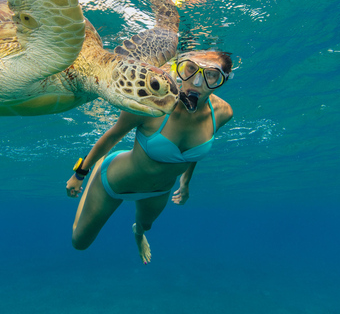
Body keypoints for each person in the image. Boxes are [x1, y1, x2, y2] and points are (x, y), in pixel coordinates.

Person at [66, 50, 234, 264]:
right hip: (114, 182)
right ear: (180, 69)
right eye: (190, 69)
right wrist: (80, 174)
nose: (197, 82)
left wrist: (185, 182)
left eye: (211, 75)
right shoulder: (151, 100)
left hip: (159, 192)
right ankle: (99, 166)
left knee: (145, 226)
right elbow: (112, 136)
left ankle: (138, 235)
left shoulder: (222, 113)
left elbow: (193, 153)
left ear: (222, 81)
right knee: (79, 243)